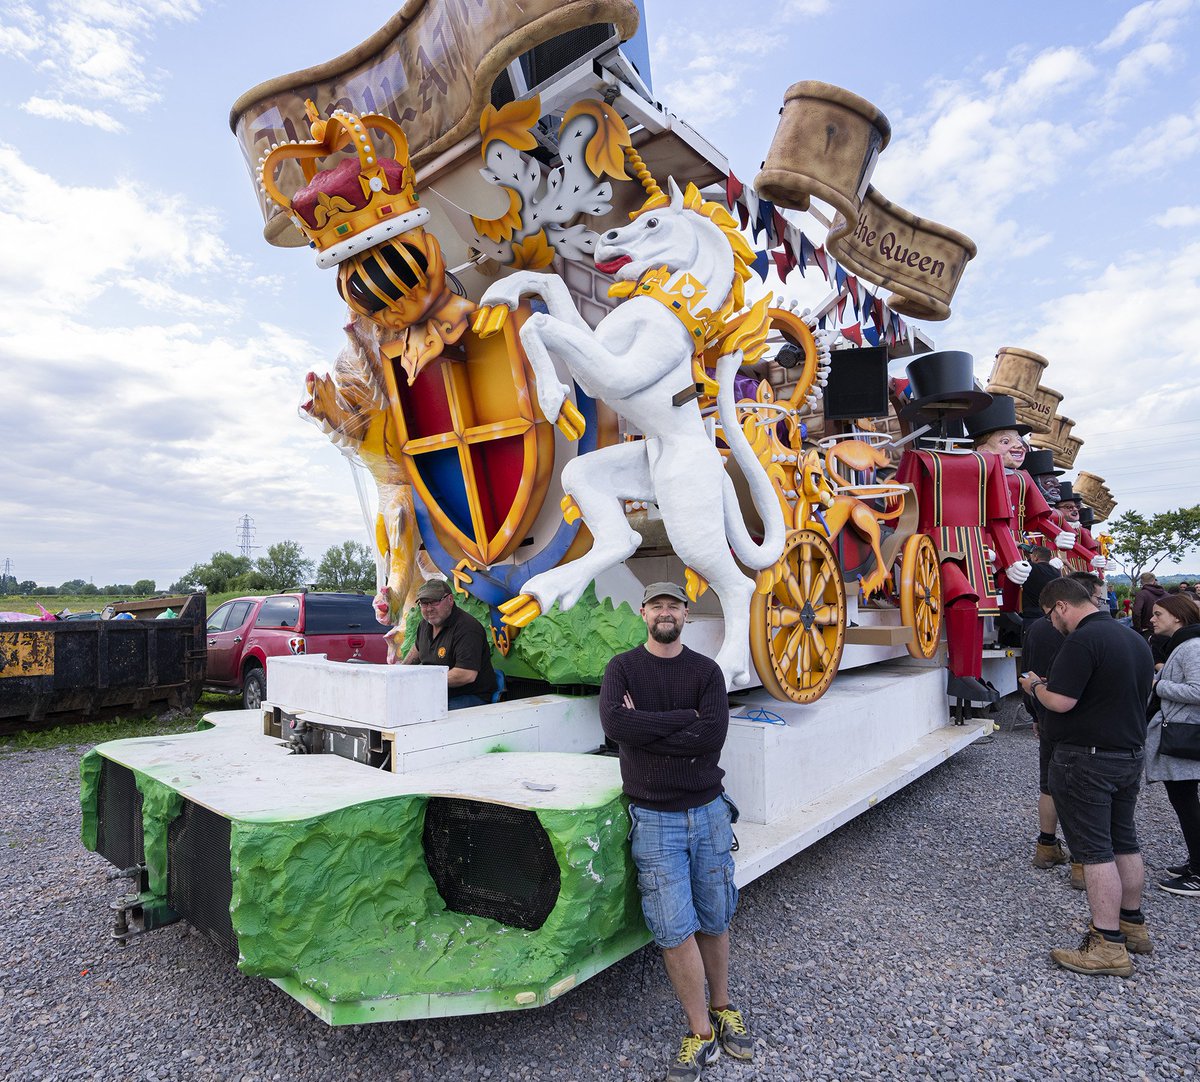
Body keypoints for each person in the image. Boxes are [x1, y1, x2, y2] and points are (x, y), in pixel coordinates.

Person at [599, 582, 749, 1081]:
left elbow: (712, 736)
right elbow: (617, 727)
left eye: (674, 605)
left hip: (707, 812)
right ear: (643, 612)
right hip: (654, 817)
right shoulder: (621, 668)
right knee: (672, 927)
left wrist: (651, 726)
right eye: (657, 604)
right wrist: (682, 722)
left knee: (715, 915)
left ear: (687, 613)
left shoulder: (706, 672)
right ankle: (701, 1032)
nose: (666, 612)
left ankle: (725, 1006)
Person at [1018, 577, 1155, 976]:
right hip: (1128, 754)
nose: (1052, 623)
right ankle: (1132, 924)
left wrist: (1035, 686)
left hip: (1087, 760)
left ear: (1061, 606)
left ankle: (1107, 944)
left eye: (1050, 615)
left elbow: (1061, 701)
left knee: (1095, 851)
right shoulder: (1133, 639)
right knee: (1125, 842)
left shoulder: (1081, 640)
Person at [1023, 571, 1107, 884]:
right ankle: (1082, 862)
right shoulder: (1086, 634)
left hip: (1047, 715)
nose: (1098, 603)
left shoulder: (1035, 629)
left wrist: (1034, 713)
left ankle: (1046, 846)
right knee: (1077, 791)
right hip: (1078, 721)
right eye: (1095, 598)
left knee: (1049, 784)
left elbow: (1027, 671)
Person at [1144, 592, 1200, 897]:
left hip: (1185, 736)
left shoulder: (1191, 647)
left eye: (1158, 614)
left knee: (1187, 802)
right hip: (1183, 735)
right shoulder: (1186, 644)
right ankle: (1195, 863)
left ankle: (1199, 872)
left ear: (1177, 617)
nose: (1152, 620)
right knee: (1184, 801)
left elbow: (1198, 690)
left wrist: (1158, 684)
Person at [401, 578, 497, 709]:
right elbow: (417, 650)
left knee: (425, 712)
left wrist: (424, 681)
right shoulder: (425, 624)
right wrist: (399, 672)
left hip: (470, 696)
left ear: (450, 600)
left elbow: (466, 675)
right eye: (424, 603)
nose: (429, 609)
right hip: (437, 692)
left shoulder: (467, 628)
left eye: (434, 602)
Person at [1020, 545, 1062, 628]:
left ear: (1035, 557)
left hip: (1031, 614)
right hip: (1049, 613)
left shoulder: (1031, 568)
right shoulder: (1057, 572)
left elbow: (1021, 566)